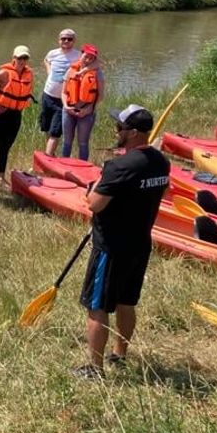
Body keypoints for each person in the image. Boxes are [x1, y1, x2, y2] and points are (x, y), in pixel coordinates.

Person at [74, 105, 170, 380]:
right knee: (127, 302)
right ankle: (120, 353)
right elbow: (159, 191)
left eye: (120, 128)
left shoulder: (119, 167)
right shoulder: (160, 162)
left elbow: (95, 204)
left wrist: (100, 181)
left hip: (111, 248)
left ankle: (95, 368)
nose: (116, 130)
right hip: (140, 244)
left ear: (135, 133)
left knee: (97, 307)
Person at [0, 46, 34, 193]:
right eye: (19, 58)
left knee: (5, 148)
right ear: (13, 59)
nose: (22, 61)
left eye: (25, 58)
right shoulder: (4, 73)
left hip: (15, 115)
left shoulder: (29, 74)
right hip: (0, 115)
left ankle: (1, 178)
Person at [60, 43, 105, 161]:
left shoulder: (97, 73)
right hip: (68, 110)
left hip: (86, 112)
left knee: (83, 143)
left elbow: (100, 95)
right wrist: (65, 106)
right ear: (81, 54)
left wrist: (90, 108)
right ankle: (64, 165)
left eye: (92, 57)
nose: (88, 59)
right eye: (86, 56)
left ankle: (83, 168)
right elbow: (64, 92)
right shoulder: (71, 69)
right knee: (67, 142)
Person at [41, 28, 81, 156]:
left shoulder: (79, 55)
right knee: (47, 128)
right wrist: (49, 71)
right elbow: (46, 60)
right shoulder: (52, 53)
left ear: (74, 41)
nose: (66, 41)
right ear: (59, 40)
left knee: (55, 131)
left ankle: (46, 160)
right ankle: (51, 156)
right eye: (63, 38)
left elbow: (96, 63)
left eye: (69, 39)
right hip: (47, 95)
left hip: (64, 99)